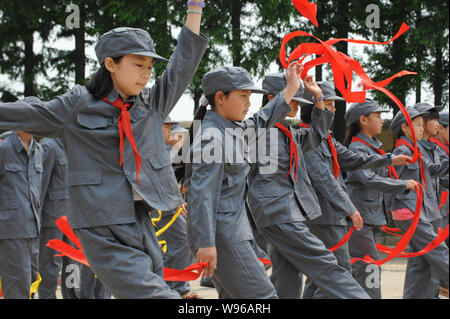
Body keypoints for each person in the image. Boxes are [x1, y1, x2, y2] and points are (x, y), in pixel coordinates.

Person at [0, 2, 209, 298]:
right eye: (138, 65)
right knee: (151, 292)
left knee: (148, 283)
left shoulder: (151, 104)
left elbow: (183, 63)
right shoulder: (76, 104)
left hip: (140, 216)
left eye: (150, 67)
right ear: (110, 64)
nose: (146, 74)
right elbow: (22, 115)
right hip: (100, 224)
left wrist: (196, 7)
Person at [245, 74, 371, 299]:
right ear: (274, 99)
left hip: (285, 212)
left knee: (287, 273)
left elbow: (317, 135)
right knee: (325, 263)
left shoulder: (288, 132)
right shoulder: (259, 131)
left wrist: (319, 100)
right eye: (293, 100)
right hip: (277, 213)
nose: (296, 106)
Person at [186, 63, 303, 298]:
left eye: (249, 96)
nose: (248, 103)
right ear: (220, 97)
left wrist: (291, 88)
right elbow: (202, 195)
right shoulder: (212, 138)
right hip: (224, 237)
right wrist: (205, 243)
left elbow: (263, 118)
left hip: (234, 233)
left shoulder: (232, 129)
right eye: (243, 96)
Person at [339, 98, 419, 299]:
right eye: (378, 116)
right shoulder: (358, 148)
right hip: (360, 217)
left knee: (362, 266)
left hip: (372, 216)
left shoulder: (374, 146)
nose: (382, 120)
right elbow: (369, 179)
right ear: (363, 120)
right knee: (370, 265)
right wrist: (401, 184)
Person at [386, 107, 449, 299]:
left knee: (421, 262)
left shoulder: (415, 150)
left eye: (423, 125)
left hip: (420, 211)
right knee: (437, 249)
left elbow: (435, 172)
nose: (422, 129)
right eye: (418, 125)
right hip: (410, 211)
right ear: (404, 128)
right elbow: (390, 180)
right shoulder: (402, 150)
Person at [0, 129, 43, 298]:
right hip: (11, 230)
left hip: (34, 228)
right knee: (17, 287)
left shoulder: (38, 150)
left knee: (32, 284)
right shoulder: (4, 149)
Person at [430, 111, 449, 247]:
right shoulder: (436, 149)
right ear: (441, 128)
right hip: (440, 209)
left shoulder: (444, 148)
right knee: (438, 250)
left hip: (444, 208)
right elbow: (443, 177)